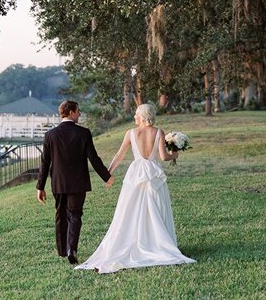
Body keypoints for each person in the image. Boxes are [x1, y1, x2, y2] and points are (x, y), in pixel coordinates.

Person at [75, 103, 196, 273]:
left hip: (136, 174)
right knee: (156, 208)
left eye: (136, 114)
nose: (134, 117)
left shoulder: (131, 133)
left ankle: (137, 241)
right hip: (154, 174)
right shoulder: (159, 132)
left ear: (142, 116)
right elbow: (163, 156)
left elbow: (119, 155)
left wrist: (108, 174)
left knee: (130, 210)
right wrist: (174, 154)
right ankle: (157, 243)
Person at [36, 100, 114, 264]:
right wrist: (106, 176)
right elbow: (93, 158)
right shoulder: (83, 133)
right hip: (78, 182)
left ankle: (62, 251)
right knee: (75, 215)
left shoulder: (50, 135)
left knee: (60, 215)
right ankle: (72, 249)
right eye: (78, 111)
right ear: (71, 112)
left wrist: (40, 187)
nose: (79, 114)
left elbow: (45, 162)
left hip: (58, 182)